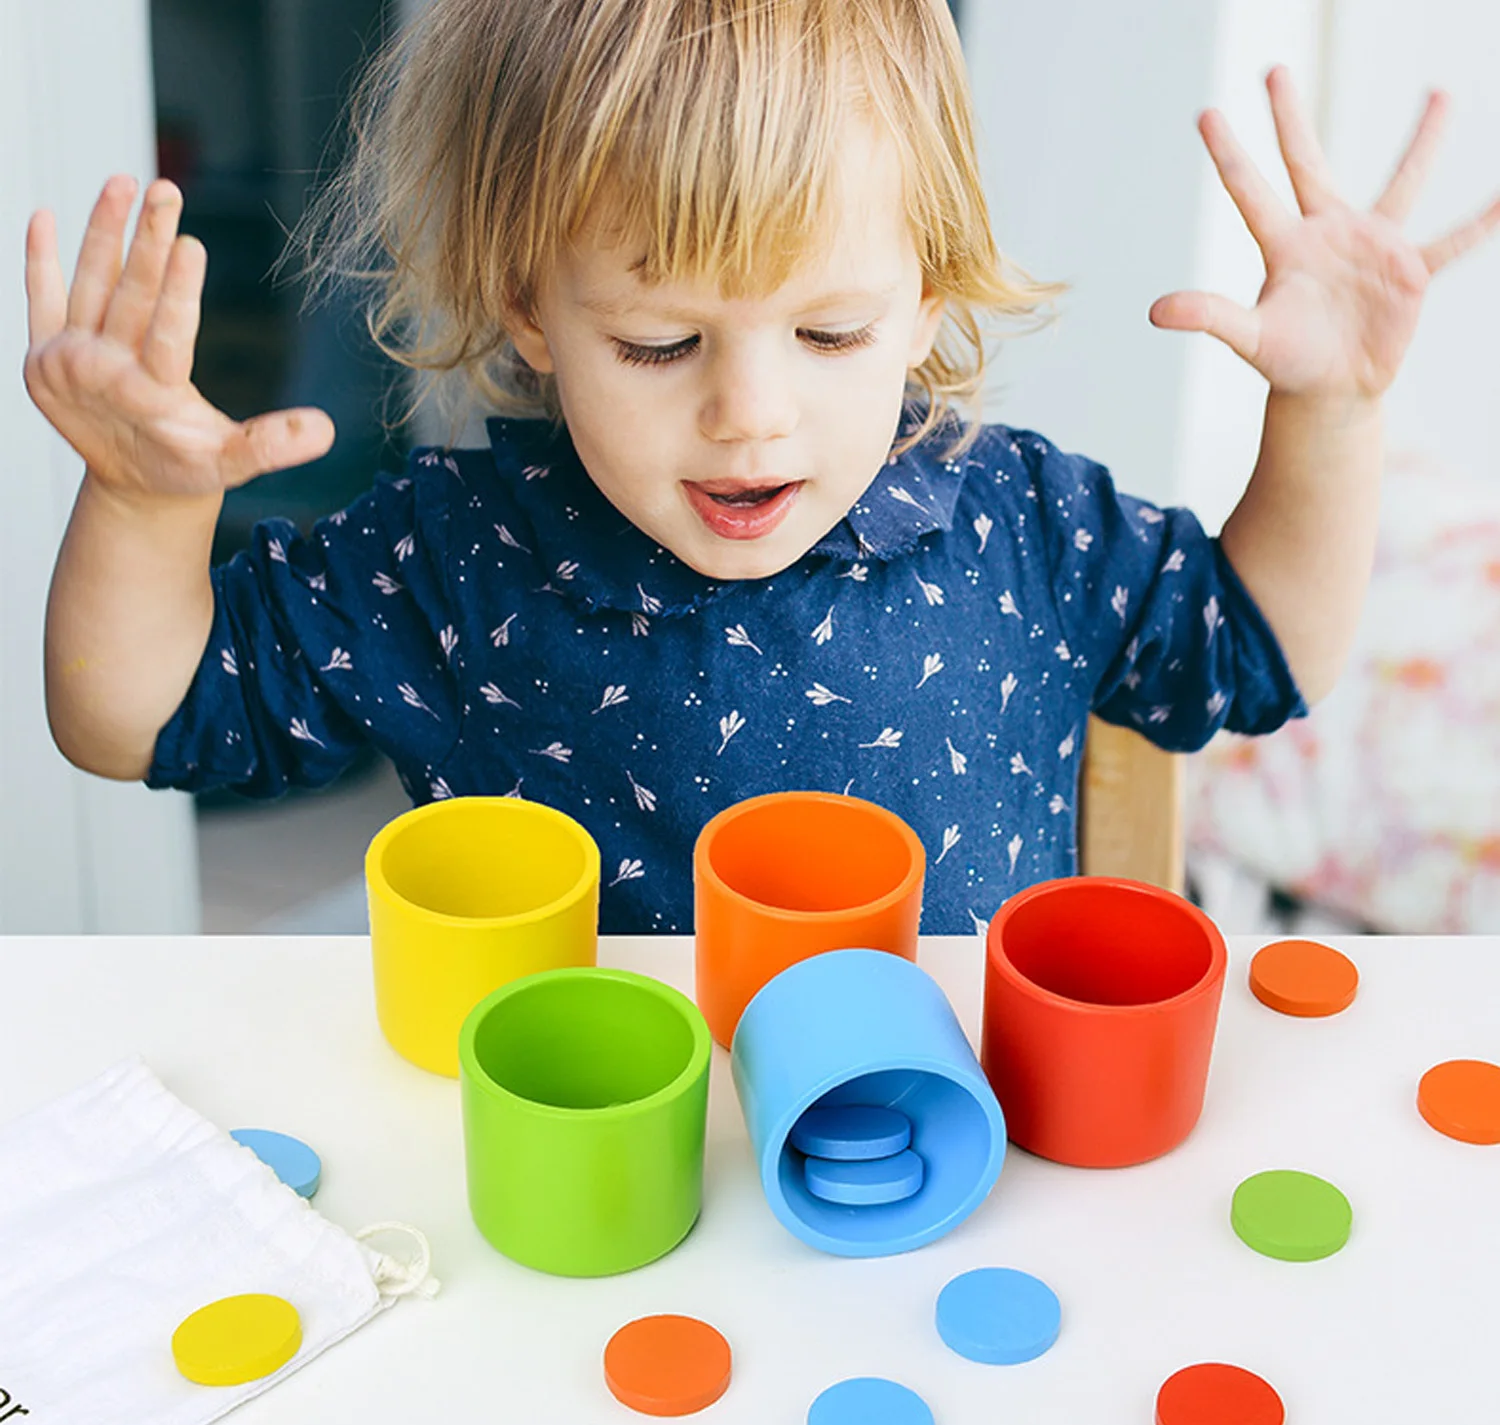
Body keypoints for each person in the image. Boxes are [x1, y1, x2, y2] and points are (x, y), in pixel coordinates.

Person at [24, 0, 1498, 934]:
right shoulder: (450, 556)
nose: (749, 414)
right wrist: (147, 507)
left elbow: (1257, 653)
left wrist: (1333, 415)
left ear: (930, 293)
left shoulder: (1023, 525)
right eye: (662, 345)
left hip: (956, 1193)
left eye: (832, 332)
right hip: (596, 1204)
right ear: (531, 308)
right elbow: (133, 718)